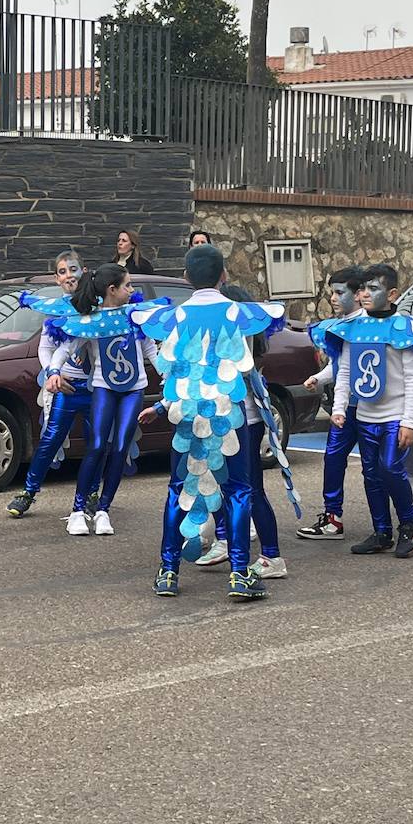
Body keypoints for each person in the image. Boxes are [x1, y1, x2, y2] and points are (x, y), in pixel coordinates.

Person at [134, 245, 288, 600]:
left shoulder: (174, 317)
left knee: (178, 489)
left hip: (187, 417)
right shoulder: (240, 314)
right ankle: (238, 573)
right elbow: (244, 359)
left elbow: (174, 370)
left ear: (186, 277)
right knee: (238, 491)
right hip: (230, 415)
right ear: (224, 275)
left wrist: (162, 406)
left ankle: (168, 572)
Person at [331, 264, 413, 559]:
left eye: (374, 288)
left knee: (391, 468)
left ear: (392, 293)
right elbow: (345, 371)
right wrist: (339, 407)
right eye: (363, 288)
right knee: (371, 475)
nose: (365, 294)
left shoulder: (403, 329)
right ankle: (381, 530)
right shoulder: (353, 328)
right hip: (365, 416)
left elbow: (412, 377)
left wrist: (409, 422)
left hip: (395, 416)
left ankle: (409, 524)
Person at [46, 263, 158, 536]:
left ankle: (104, 509)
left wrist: (171, 376)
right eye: (127, 285)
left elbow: (151, 349)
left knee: (120, 447)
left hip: (134, 389)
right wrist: (53, 372)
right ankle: (77, 511)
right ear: (112, 290)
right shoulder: (92, 322)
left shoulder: (136, 317)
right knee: (96, 446)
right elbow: (65, 348)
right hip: (104, 387)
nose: (132, 290)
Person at [189, 284, 291, 580]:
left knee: (250, 490)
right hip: (223, 420)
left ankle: (271, 556)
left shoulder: (242, 343)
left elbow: (235, 376)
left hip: (244, 421)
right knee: (221, 484)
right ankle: (226, 541)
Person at [9, 251, 97, 518]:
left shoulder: (100, 309)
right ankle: (28, 492)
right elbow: (45, 348)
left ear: (84, 270)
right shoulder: (54, 314)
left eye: (73, 269)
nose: (68, 275)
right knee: (50, 440)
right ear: (57, 279)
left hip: (96, 388)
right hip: (66, 387)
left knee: (97, 443)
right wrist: (52, 374)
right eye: (62, 271)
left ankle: (92, 494)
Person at [299, 266, 368, 542]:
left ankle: (402, 516)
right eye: (332, 293)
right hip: (344, 408)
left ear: (358, 294)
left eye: (340, 292)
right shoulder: (337, 327)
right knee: (333, 458)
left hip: (370, 408)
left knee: (379, 467)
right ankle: (332, 518)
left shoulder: (368, 326)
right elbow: (339, 368)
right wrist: (318, 377)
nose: (334, 298)